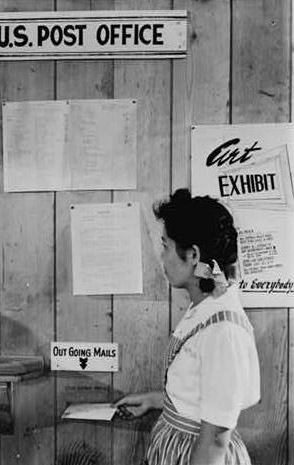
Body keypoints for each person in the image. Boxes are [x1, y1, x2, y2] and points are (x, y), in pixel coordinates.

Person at [114, 188, 260, 465]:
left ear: (193, 254)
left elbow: (216, 439)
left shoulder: (223, 331)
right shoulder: (206, 306)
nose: (162, 257)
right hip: (180, 445)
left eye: (166, 246)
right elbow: (200, 392)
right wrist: (157, 401)